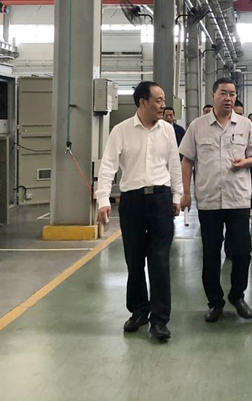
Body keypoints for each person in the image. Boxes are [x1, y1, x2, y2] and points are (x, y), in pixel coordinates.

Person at [95, 81, 182, 342]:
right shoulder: (121, 131)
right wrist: (103, 199)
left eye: (163, 99)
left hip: (161, 200)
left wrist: (177, 195)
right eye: (158, 100)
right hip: (132, 201)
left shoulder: (167, 130)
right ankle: (139, 311)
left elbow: (174, 165)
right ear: (142, 102)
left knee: (159, 260)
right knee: (134, 259)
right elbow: (108, 166)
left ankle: (160, 319)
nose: (163, 105)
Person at [179, 78, 252, 323]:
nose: (229, 98)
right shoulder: (197, 126)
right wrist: (185, 193)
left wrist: (244, 162)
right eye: (224, 93)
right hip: (209, 200)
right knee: (211, 254)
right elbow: (187, 161)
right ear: (213, 95)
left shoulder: (245, 125)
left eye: (232, 94)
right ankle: (215, 302)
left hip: (238, 199)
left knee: (242, 252)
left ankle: (237, 295)